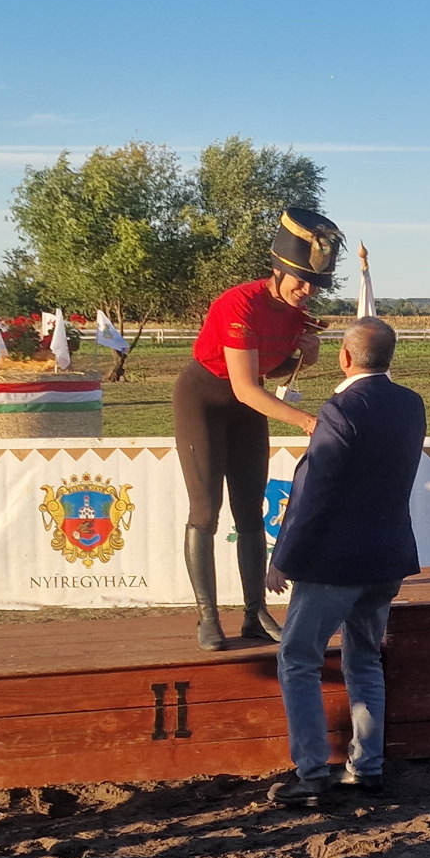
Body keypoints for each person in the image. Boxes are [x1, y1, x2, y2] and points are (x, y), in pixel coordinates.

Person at [264, 317, 426, 806]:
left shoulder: (340, 409)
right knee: (364, 660)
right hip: (387, 557)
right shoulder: (411, 404)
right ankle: (367, 767)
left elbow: (314, 493)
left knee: (298, 660)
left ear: (346, 357)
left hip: (334, 563)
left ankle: (312, 774)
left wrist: (284, 558)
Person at [173, 207, 338, 651]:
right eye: (300, 280)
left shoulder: (296, 314)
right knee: (205, 511)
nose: (307, 291)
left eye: (315, 284)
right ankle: (208, 616)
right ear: (278, 268)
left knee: (249, 513)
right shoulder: (239, 304)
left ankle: (255, 613)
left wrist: (303, 357)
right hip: (203, 400)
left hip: (247, 407)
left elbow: (270, 368)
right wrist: (307, 421)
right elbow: (245, 386)